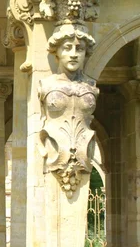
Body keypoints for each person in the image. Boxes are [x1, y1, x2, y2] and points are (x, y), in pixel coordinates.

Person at [38, 24, 99, 197]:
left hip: (83, 153)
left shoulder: (91, 86)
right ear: (56, 52)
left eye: (79, 49)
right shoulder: (47, 85)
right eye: (67, 48)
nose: (73, 54)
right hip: (54, 153)